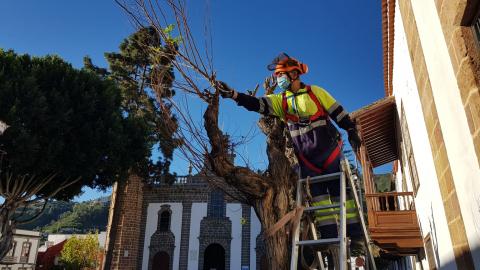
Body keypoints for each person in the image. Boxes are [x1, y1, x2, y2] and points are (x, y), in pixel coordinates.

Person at [216, 52, 362, 240]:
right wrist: (234, 95)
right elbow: (257, 104)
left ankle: (355, 233)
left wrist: (350, 130)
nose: (278, 80)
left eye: (281, 75)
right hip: (308, 163)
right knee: (319, 202)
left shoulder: (315, 92)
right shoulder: (281, 101)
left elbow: (338, 113)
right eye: (277, 76)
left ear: (294, 74)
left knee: (340, 194)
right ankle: (330, 236)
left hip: (329, 155)